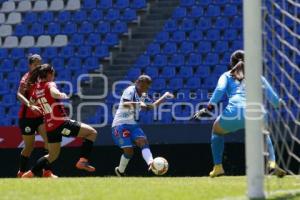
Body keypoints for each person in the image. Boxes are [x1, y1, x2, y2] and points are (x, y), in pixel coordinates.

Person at [193, 50, 286, 178]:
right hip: (256, 111)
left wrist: (208, 108)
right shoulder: (257, 75)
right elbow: (273, 98)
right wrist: (279, 103)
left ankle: (218, 167)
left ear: (231, 63)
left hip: (234, 113)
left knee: (217, 130)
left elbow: (220, 90)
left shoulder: (226, 75)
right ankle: (272, 163)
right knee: (264, 133)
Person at [21, 64, 98, 178]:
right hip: (61, 123)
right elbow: (53, 92)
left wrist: (34, 106)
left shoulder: (37, 88)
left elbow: (32, 102)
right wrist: (62, 95)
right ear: (48, 74)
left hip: (50, 127)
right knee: (92, 133)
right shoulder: (49, 84)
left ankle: (30, 173)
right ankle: (82, 161)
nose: (53, 76)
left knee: (52, 155)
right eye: (53, 74)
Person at [112, 75, 174, 176]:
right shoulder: (130, 90)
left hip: (132, 124)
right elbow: (125, 103)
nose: (143, 89)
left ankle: (151, 163)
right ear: (137, 83)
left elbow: (152, 106)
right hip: (120, 124)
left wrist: (164, 97)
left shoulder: (143, 95)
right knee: (129, 151)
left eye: (145, 87)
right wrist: (139, 104)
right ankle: (120, 171)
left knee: (143, 142)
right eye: (141, 86)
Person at [17, 54, 56, 178]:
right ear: (30, 65)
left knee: (48, 141)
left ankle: (47, 171)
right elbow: (19, 94)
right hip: (26, 117)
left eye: (39, 63)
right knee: (29, 146)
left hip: (40, 116)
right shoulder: (26, 78)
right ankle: (22, 172)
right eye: (35, 64)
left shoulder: (43, 78)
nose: (37, 66)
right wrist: (30, 105)